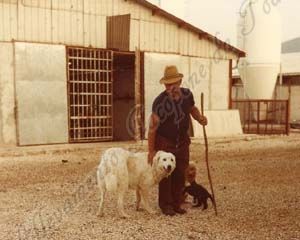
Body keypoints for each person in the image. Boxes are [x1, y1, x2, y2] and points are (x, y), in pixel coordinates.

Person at [148, 65, 207, 216]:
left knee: (180, 172)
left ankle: (176, 202)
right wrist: (151, 151)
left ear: (180, 82)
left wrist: (200, 118)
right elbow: (152, 128)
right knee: (166, 174)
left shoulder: (187, 95)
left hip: (182, 142)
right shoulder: (159, 102)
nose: (170, 87)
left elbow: (192, 109)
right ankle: (166, 205)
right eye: (167, 84)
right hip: (165, 142)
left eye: (173, 84)